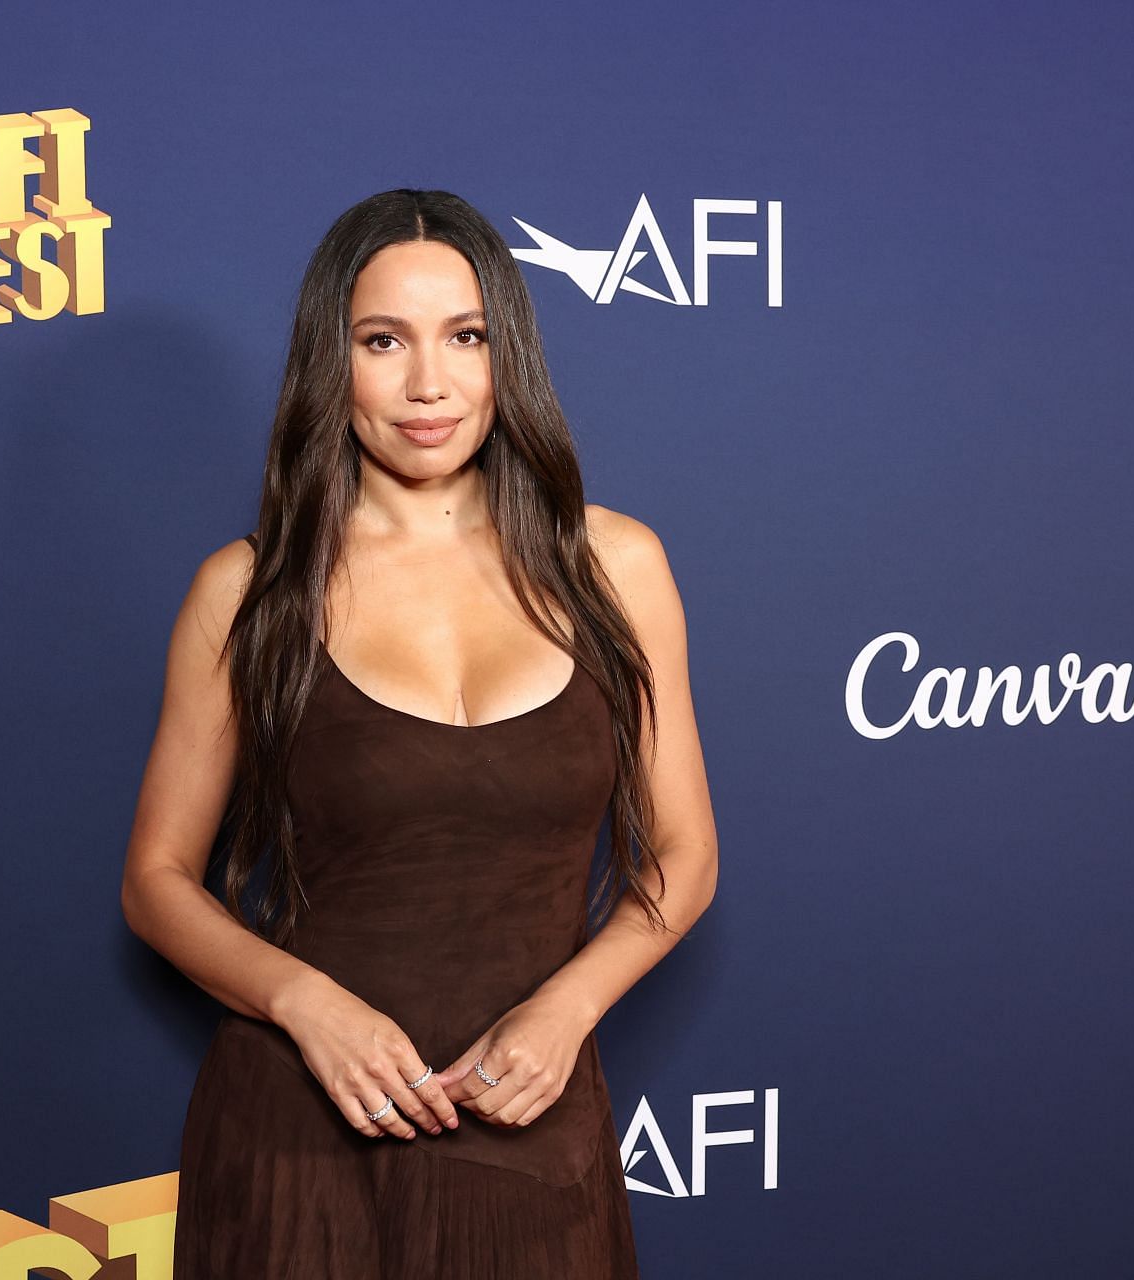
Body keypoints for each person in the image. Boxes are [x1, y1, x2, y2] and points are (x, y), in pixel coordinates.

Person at [120, 188, 719, 1278]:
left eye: (466, 336)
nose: (428, 383)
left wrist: (567, 1008)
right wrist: (304, 1003)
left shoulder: (617, 566)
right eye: (382, 340)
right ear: (328, 359)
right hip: (299, 1138)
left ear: (509, 354)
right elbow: (156, 878)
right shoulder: (251, 588)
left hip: (530, 1129)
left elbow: (684, 853)